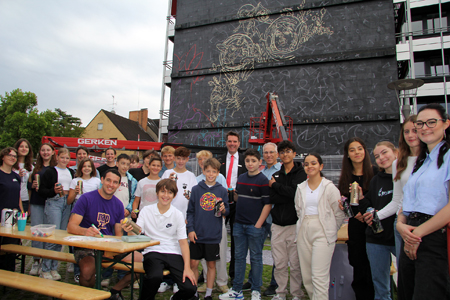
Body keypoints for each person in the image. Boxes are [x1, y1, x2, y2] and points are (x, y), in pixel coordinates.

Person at [397, 103, 450, 299]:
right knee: (407, 293)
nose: (425, 127)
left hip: (434, 236)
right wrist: (401, 225)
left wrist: (418, 233)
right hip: (410, 233)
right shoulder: (421, 162)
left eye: (431, 122)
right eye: (421, 123)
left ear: (446, 124)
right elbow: (408, 201)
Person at [67, 169, 140, 300]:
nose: (111, 185)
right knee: (88, 272)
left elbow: (118, 235)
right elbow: (71, 226)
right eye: (108, 180)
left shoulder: (118, 205)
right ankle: (89, 296)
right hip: (86, 245)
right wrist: (86, 231)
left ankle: (114, 291)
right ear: (102, 180)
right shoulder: (86, 198)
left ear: (118, 186)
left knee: (147, 262)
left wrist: (127, 231)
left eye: (115, 182)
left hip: (108, 247)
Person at [122, 179, 197, 300]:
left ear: (174, 195)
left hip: (174, 252)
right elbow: (137, 233)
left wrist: (187, 268)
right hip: (152, 251)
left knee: (190, 288)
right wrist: (129, 228)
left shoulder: (178, 214)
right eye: (163, 192)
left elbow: (183, 243)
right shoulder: (146, 210)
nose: (165, 196)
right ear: (157, 193)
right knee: (154, 277)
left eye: (169, 193)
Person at [365, 115, 419, 263]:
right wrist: (375, 217)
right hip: (402, 223)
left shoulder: (437, 157)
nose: (410, 135)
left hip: (428, 224)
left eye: (414, 130)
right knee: (405, 273)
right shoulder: (399, 164)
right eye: (406, 131)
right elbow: (397, 201)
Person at [219, 148, 271, 300]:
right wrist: (232, 195)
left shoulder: (263, 180)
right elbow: (238, 198)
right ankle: (236, 290)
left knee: (256, 258)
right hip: (239, 224)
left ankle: (256, 290)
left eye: (253, 161)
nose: (250, 163)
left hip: (254, 226)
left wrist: (258, 224)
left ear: (259, 163)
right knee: (239, 257)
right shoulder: (241, 178)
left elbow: (267, 204)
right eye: (247, 161)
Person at [295, 153, 345, 300]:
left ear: (321, 166)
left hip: (323, 231)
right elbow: (298, 209)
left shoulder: (329, 188)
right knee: (308, 277)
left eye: (313, 163)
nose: (309, 166)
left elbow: (339, 213)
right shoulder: (300, 188)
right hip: (304, 229)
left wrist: (331, 230)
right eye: (306, 164)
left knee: (319, 277)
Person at [337, 137, 376, 300]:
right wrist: (351, 211)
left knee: (374, 268)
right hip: (356, 228)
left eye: (359, 148)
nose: (356, 153)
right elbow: (345, 202)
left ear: (365, 151)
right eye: (352, 150)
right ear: (347, 155)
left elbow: (379, 200)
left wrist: (365, 213)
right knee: (358, 268)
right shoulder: (346, 177)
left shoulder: (376, 173)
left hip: (374, 227)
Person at [359, 142, 398, 300]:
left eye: (384, 152)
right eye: (377, 156)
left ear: (395, 152)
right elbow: (369, 206)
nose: (381, 158)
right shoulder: (376, 180)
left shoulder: (404, 178)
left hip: (398, 237)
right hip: (376, 239)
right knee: (380, 286)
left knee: (409, 280)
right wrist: (361, 199)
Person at [187, 158, 229, 300]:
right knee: (194, 263)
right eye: (208, 171)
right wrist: (190, 229)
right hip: (197, 234)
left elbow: (226, 211)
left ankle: (209, 293)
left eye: (214, 171)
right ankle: (193, 291)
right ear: (203, 171)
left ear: (218, 173)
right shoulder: (196, 189)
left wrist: (224, 210)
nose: (211, 174)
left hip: (213, 234)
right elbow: (190, 212)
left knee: (211, 264)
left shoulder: (222, 190)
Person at [269, 140, 306, 300]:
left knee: (296, 264)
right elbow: (273, 197)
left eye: (288, 151)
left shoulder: (301, 173)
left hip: (294, 224)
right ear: (279, 155)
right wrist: (284, 193)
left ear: (294, 153)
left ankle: (296, 293)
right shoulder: (276, 174)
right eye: (282, 152)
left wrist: (276, 187)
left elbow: (295, 194)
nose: (285, 154)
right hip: (277, 225)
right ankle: (281, 293)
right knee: (280, 263)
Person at [243, 142, 281, 294]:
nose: (269, 155)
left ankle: (275, 283)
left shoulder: (282, 171)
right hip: (260, 218)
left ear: (277, 154)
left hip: (277, 217)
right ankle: (253, 281)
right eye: (266, 152)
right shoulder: (261, 172)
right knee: (256, 251)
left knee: (278, 253)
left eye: (271, 152)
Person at [38, 147, 75, 280]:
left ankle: (54, 267)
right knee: (52, 236)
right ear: (57, 158)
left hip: (67, 203)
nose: (64, 160)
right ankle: (45, 269)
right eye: (62, 157)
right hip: (54, 201)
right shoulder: (51, 171)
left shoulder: (71, 171)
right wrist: (53, 191)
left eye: (67, 158)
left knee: (60, 237)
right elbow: (42, 190)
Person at [217, 131, 247, 281]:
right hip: (220, 202)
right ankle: (211, 273)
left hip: (237, 202)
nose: (232, 144)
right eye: (229, 141)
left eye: (235, 141)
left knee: (237, 239)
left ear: (239, 143)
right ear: (226, 142)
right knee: (214, 237)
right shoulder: (219, 160)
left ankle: (234, 274)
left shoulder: (245, 160)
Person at [27, 143, 56, 276]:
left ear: (52, 152)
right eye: (43, 150)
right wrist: (32, 185)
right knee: (37, 233)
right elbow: (28, 186)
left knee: (48, 234)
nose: (45, 152)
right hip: (37, 202)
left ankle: (46, 262)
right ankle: (36, 260)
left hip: (51, 204)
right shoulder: (35, 168)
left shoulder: (55, 168)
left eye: (48, 150)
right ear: (40, 152)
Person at [0, 147, 22, 271]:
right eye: (9, 155)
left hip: (13, 216)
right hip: (0, 215)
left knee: (11, 247)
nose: (12, 157)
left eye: (14, 156)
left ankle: (9, 273)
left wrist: (21, 211)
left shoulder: (16, 176)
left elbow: (18, 196)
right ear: (3, 157)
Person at [161, 146, 197, 219]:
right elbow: (160, 192)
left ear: (187, 159)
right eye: (178, 158)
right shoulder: (167, 173)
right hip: (167, 214)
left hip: (184, 215)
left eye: (183, 159)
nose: (181, 161)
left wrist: (189, 218)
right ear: (174, 158)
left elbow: (194, 197)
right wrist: (168, 182)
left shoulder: (191, 176)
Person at [13, 138, 33, 214]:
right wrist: (18, 176)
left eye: (26, 147)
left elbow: (29, 188)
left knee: (21, 224)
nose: (24, 149)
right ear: (17, 148)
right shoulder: (11, 164)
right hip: (13, 199)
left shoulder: (31, 167)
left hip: (25, 200)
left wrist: (29, 204)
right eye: (21, 146)